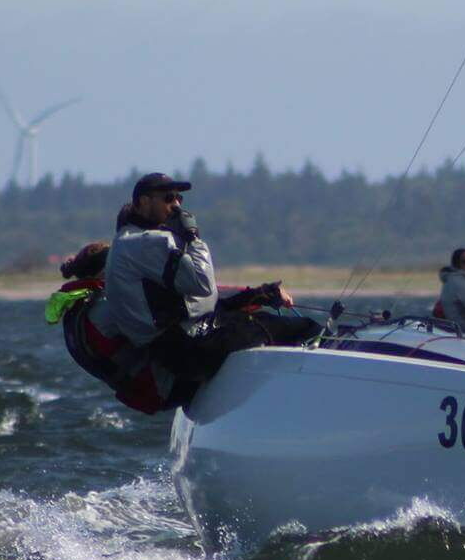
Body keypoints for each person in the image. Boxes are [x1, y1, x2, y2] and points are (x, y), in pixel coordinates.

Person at [100, 172, 313, 407]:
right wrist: (192, 237)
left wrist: (260, 293)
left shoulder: (130, 241)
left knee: (272, 323)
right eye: (169, 198)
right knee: (297, 329)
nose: (177, 206)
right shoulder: (145, 242)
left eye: (179, 198)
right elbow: (202, 283)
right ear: (143, 202)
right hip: (184, 351)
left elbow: (200, 303)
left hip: (183, 344)